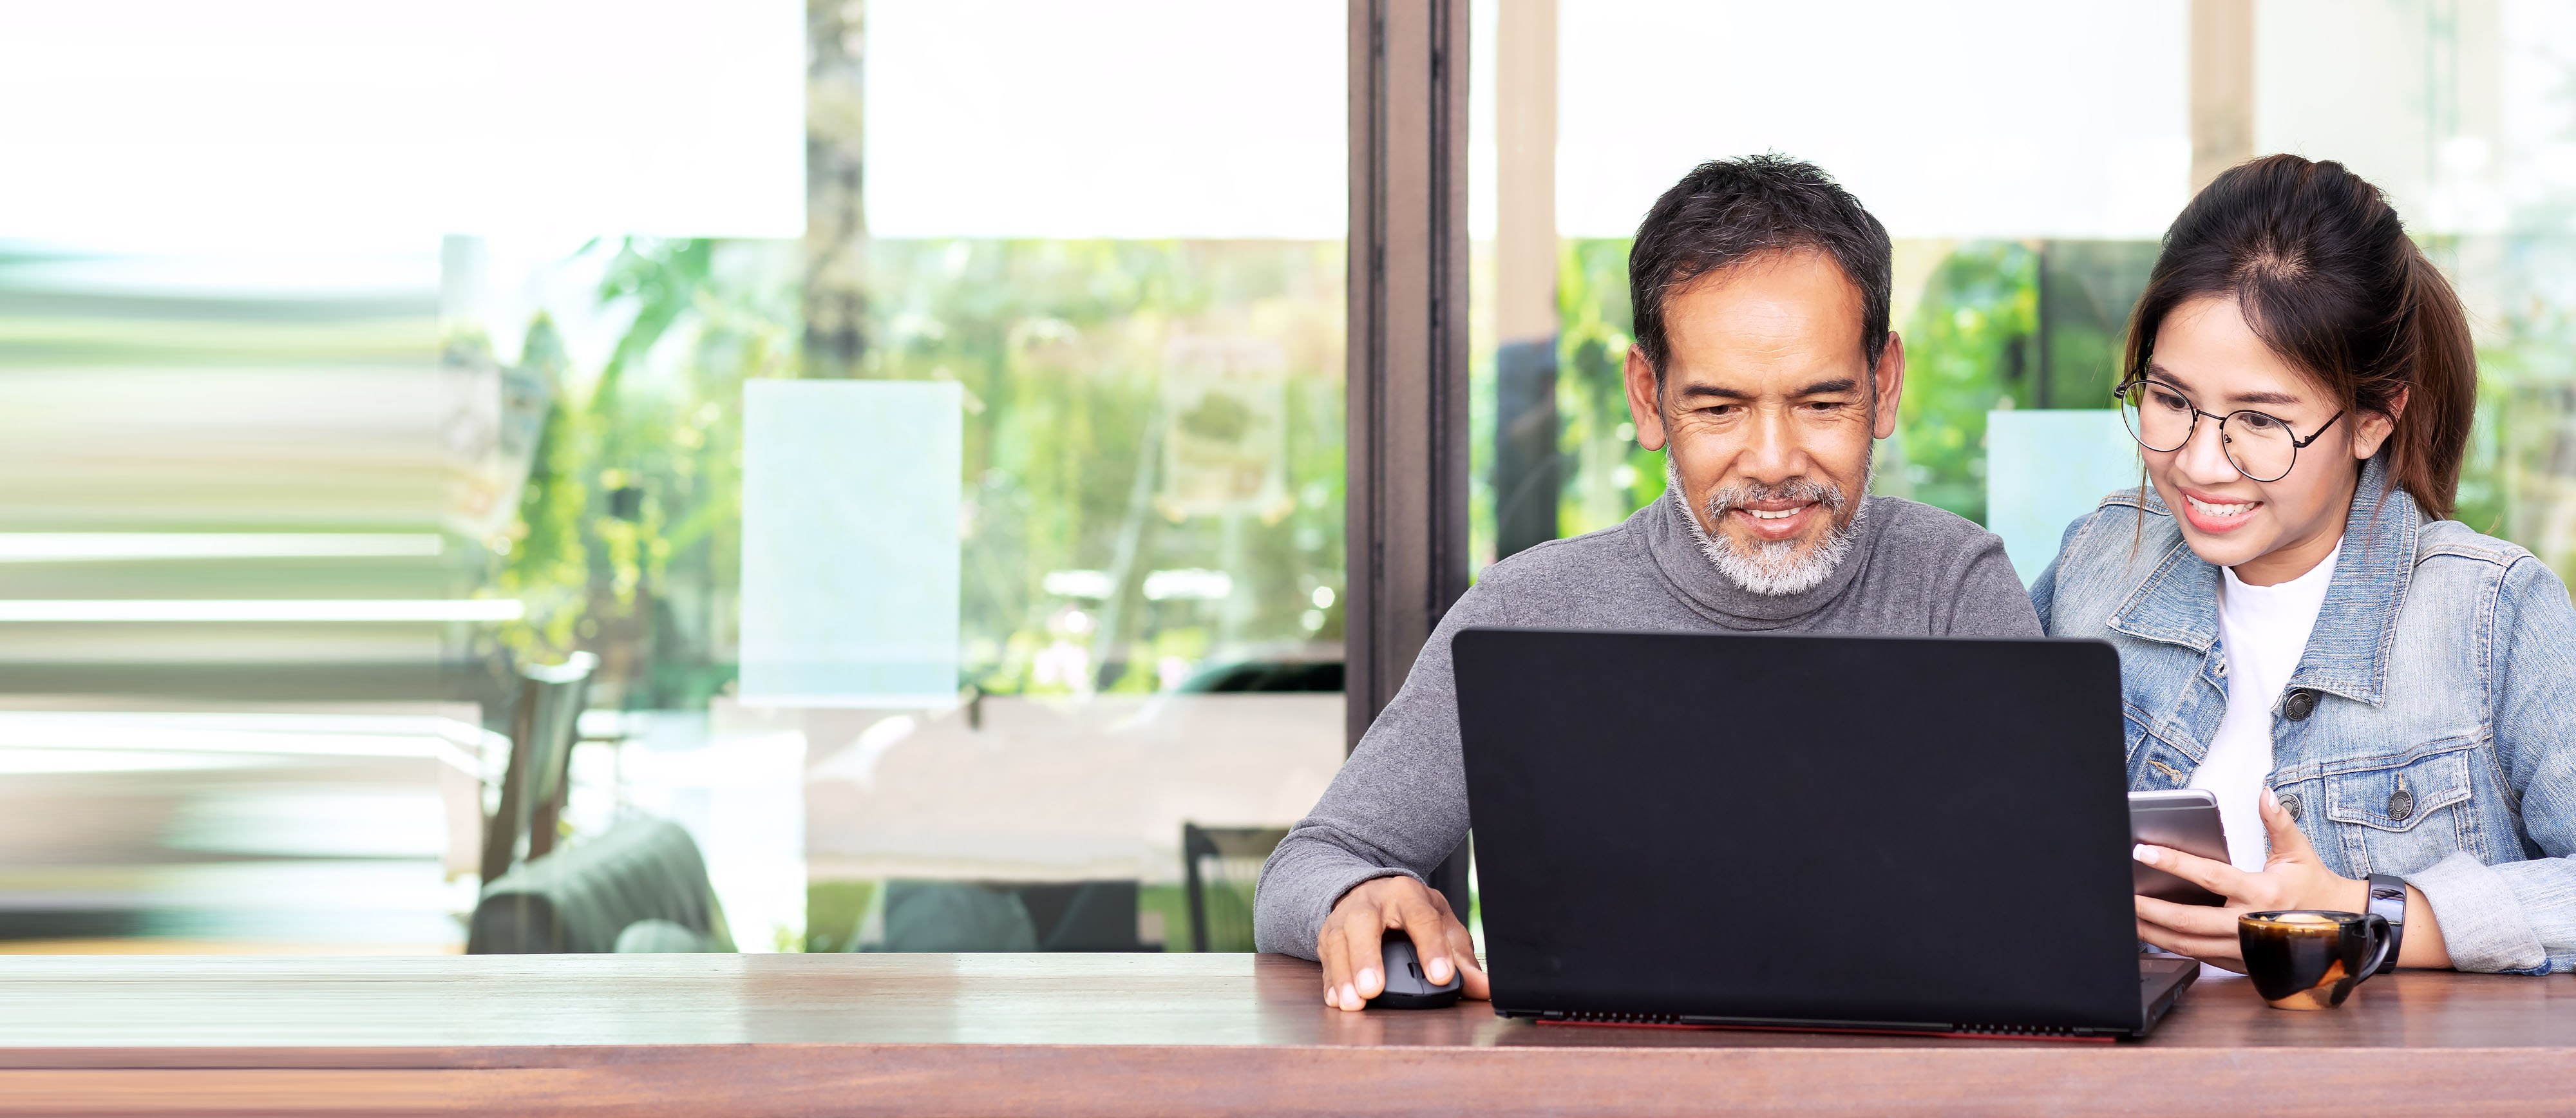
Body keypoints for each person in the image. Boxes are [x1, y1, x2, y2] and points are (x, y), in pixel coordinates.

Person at [1256, 155, 2044, 1011]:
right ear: (1647, 396)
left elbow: (2050, 893)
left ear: (1883, 385)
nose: (1774, 462)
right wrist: (1356, 897)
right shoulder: (1530, 612)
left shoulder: (1955, 589)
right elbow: (1311, 862)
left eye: (1822, 404)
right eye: (1719, 410)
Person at [2034, 154, 2576, 975]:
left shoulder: (2491, 612)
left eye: (2259, 419)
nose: (2201, 462)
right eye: (2171, 400)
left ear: (2371, 419)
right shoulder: (2099, 561)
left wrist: (2360, 915)